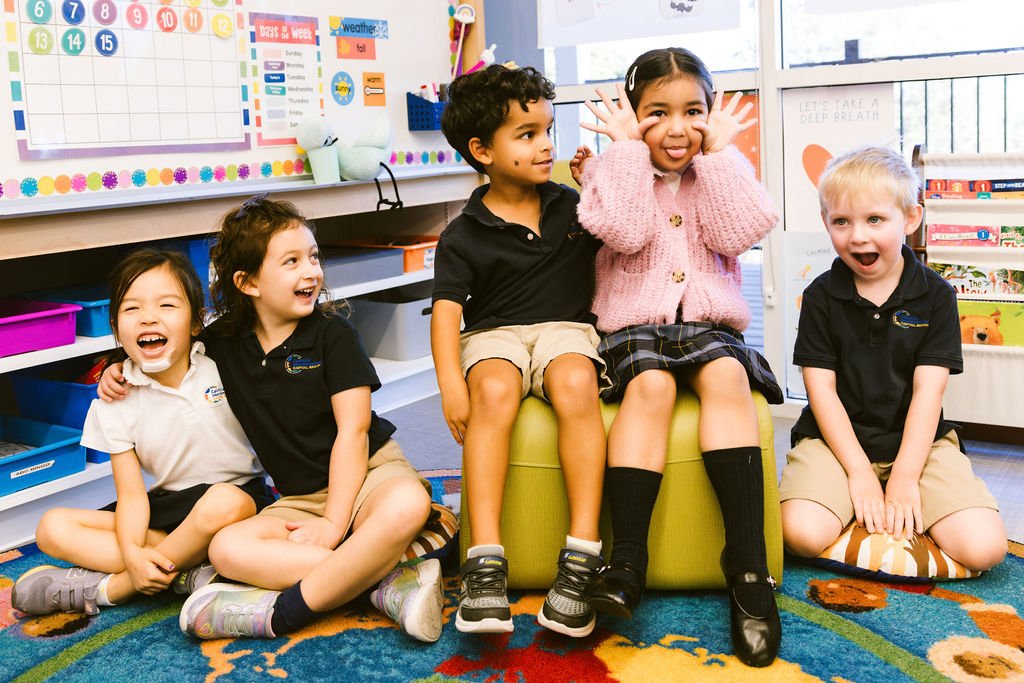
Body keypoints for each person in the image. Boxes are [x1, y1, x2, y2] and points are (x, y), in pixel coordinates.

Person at [98, 197, 442, 642]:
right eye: (292, 261)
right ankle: (385, 581)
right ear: (248, 282)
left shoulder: (334, 334)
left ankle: (282, 612)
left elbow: (354, 433)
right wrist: (115, 368)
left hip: (370, 474)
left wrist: (333, 526)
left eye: (313, 257)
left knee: (408, 505)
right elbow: (168, 346)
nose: (311, 271)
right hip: (299, 498)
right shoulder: (224, 343)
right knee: (225, 549)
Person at [574, 48, 783, 667]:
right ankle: (628, 561)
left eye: (693, 111)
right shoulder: (613, 170)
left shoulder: (719, 169)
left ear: (712, 115)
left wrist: (720, 157)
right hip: (633, 327)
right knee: (652, 390)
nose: (675, 128)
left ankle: (747, 570)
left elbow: (740, 231)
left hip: (707, 324)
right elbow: (628, 232)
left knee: (724, 375)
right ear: (635, 117)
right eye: (656, 113)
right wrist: (625, 156)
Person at [433, 64, 608, 637]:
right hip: (493, 336)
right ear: (482, 150)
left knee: (576, 383)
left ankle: (582, 556)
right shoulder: (463, 232)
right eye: (527, 135)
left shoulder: (572, 205)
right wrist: (450, 388)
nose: (546, 146)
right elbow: (447, 316)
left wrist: (597, 184)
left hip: (566, 328)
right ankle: (484, 562)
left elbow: (628, 230)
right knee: (495, 389)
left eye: (548, 131)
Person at [779, 146, 1006, 573]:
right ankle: (858, 505)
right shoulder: (820, 296)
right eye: (841, 221)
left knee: (984, 549)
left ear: (911, 218)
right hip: (834, 443)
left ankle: (880, 510)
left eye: (875, 220)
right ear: (826, 222)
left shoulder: (937, 295)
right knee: (801, 534)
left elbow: (928, 392)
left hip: (921, 444)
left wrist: (903, 477)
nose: (857, 236)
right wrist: (860, 474)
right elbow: (821, 392)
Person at [12, 248, 272, 617]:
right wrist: (133, 551)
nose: (149, 318)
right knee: (52, 528)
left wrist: (128, 570)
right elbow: (132, 495)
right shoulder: (113, 401)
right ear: (116, 328)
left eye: (167, 306)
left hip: (239, 505)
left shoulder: (222, 365)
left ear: (197, 322)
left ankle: (112, 588)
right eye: (132, 309)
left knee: (224, 502)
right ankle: (185, 570)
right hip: (168, 509)